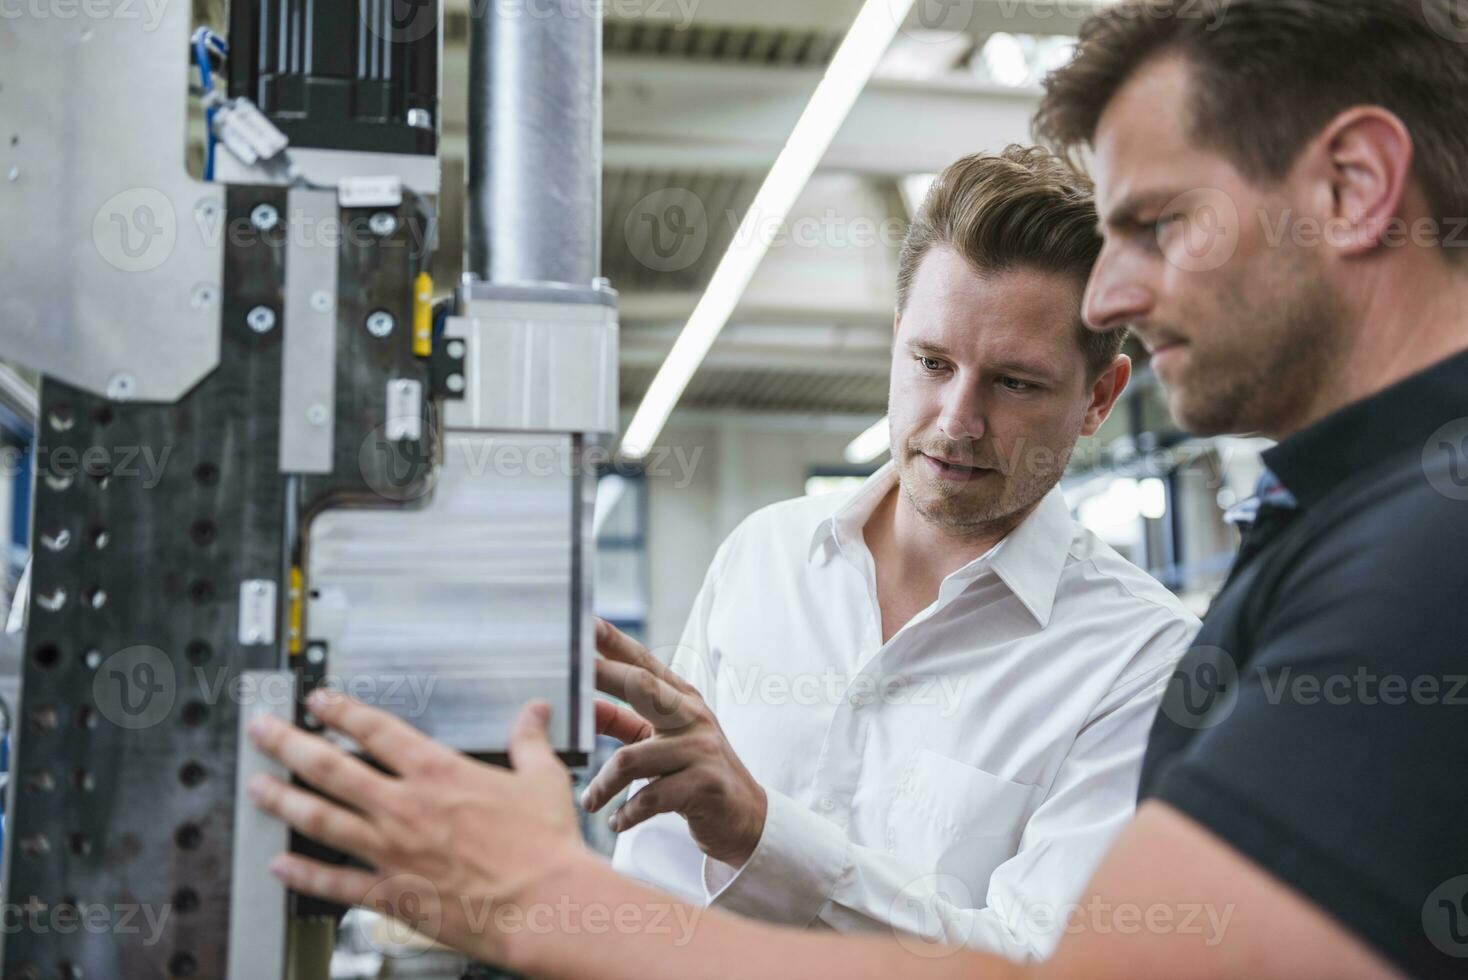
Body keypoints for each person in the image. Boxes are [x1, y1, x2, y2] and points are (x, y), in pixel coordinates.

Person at [247, 1, 1468, 977]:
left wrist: (544, 895)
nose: (1117, 295)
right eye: (929, 361)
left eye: (1156, 224)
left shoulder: (1398, 565)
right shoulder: (1337, 529)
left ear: (1355, 186)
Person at [592, 146, 1196, 960]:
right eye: (931, 362)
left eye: (1014, 383)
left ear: (1099, 398)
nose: (956, 419)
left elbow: (1041, 960)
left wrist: (767, 837)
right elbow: (653, 881)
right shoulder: (762, 558)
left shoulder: (1142, 660)